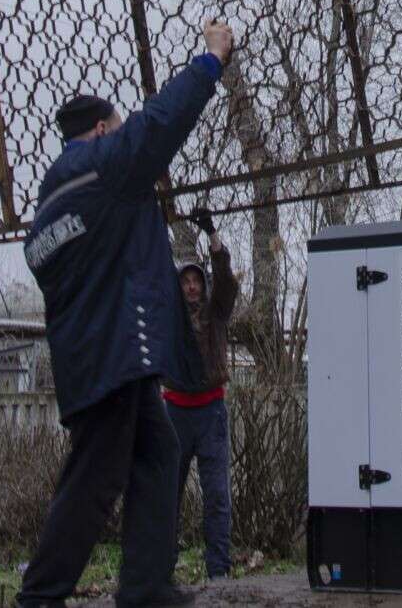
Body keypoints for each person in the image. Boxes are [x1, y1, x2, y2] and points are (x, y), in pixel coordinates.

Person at [19, 17, 237, 608]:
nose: (123, 135)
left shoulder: (52, 201)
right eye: (115, 127)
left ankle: (144, 586)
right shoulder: (104, 166)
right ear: (98, 130)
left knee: (157, 454)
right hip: (114, 354)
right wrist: (210, 60)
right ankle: (40, 596)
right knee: (95, 478)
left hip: (97, 354)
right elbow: (160, 124)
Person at [162, 225, 239, 580]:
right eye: (185, 281)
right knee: (166, 497)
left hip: (210, 413)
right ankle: (161, 569)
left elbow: (226, 281)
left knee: (217, 497)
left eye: (197, 281)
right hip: (175, 412)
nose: (192, 286)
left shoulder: (216, 311)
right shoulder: (169, 317)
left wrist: (215, 241)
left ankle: (218, 571)